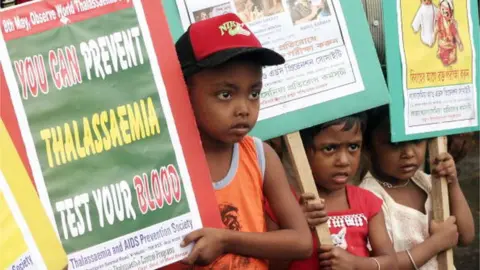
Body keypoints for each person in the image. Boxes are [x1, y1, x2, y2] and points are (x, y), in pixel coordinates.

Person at [174, 13, 312, 269]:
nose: (244, 109)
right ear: (182, 90)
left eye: (254, 93)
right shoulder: (165, 161)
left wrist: (227, 240)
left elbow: (302, 242)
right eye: (225, 94)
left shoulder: (261, 155)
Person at [266, 113, 398, 269]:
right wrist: (297, 226)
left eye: (353, 147)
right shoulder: (282, 205)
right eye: (329, 148)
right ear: (302, 152)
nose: (343, 161)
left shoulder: (368, 202)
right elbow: (270, 266)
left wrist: (356, 264)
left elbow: (390, 263)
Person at [360, 105, 475, 270]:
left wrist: (452, 183)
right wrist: (436, 243)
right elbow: (381, 265)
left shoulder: (429, 182)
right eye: (395, 144)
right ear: (368, 147)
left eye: (416, 140)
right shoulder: (369, 197)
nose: (408, 153)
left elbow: (466, 236)